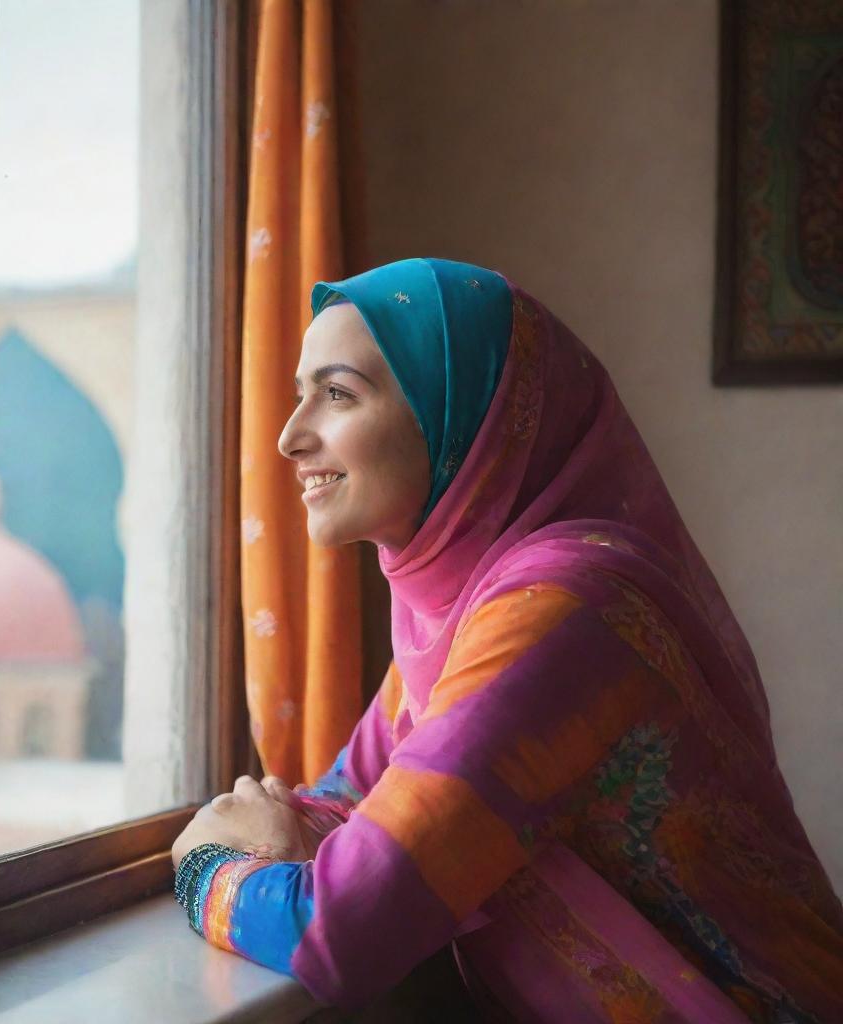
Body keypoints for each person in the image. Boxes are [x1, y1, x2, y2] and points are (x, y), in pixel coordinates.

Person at [171, 258, 843, 1022]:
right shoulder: (462, 608)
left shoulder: (560, 610)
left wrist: (208, 864)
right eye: (301, 397)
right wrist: (299, 838)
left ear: (460, 411)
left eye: (336, 394)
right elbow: (348, 801)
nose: (291, 438)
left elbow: (341, 929)